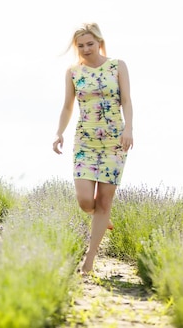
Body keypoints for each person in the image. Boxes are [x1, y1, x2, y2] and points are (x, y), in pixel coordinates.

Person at [52, 22, 134, 275]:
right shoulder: (73, 72)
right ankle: (100, 216)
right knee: (85, 199)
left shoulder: (117, 66)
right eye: (80, 46)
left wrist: (128, 129)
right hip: (85, 140)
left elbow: (127, 101)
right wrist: (59, 132)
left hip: (114, 142)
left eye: (90, 43)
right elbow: (67, 106)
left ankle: (90, 259)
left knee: (105, 201)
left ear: (99, 42)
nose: (86, 49)